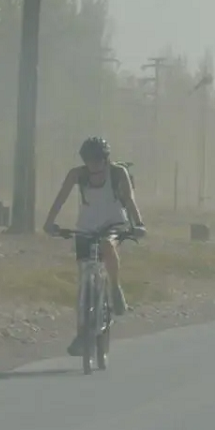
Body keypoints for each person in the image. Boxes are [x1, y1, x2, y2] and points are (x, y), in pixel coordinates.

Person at [43, 136, 146, 356]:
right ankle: (82, 334)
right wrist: (49, 222)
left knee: (108, 245)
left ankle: (116, 288)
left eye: (98, 160)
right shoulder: (77, 174)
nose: (94, 165)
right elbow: (60, 198)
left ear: (105, 159)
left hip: (114, 223)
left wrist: (139, 224)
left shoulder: (118, 173)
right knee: (83, 283)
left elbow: (129, 200)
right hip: (86, 227)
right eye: (89, 161)